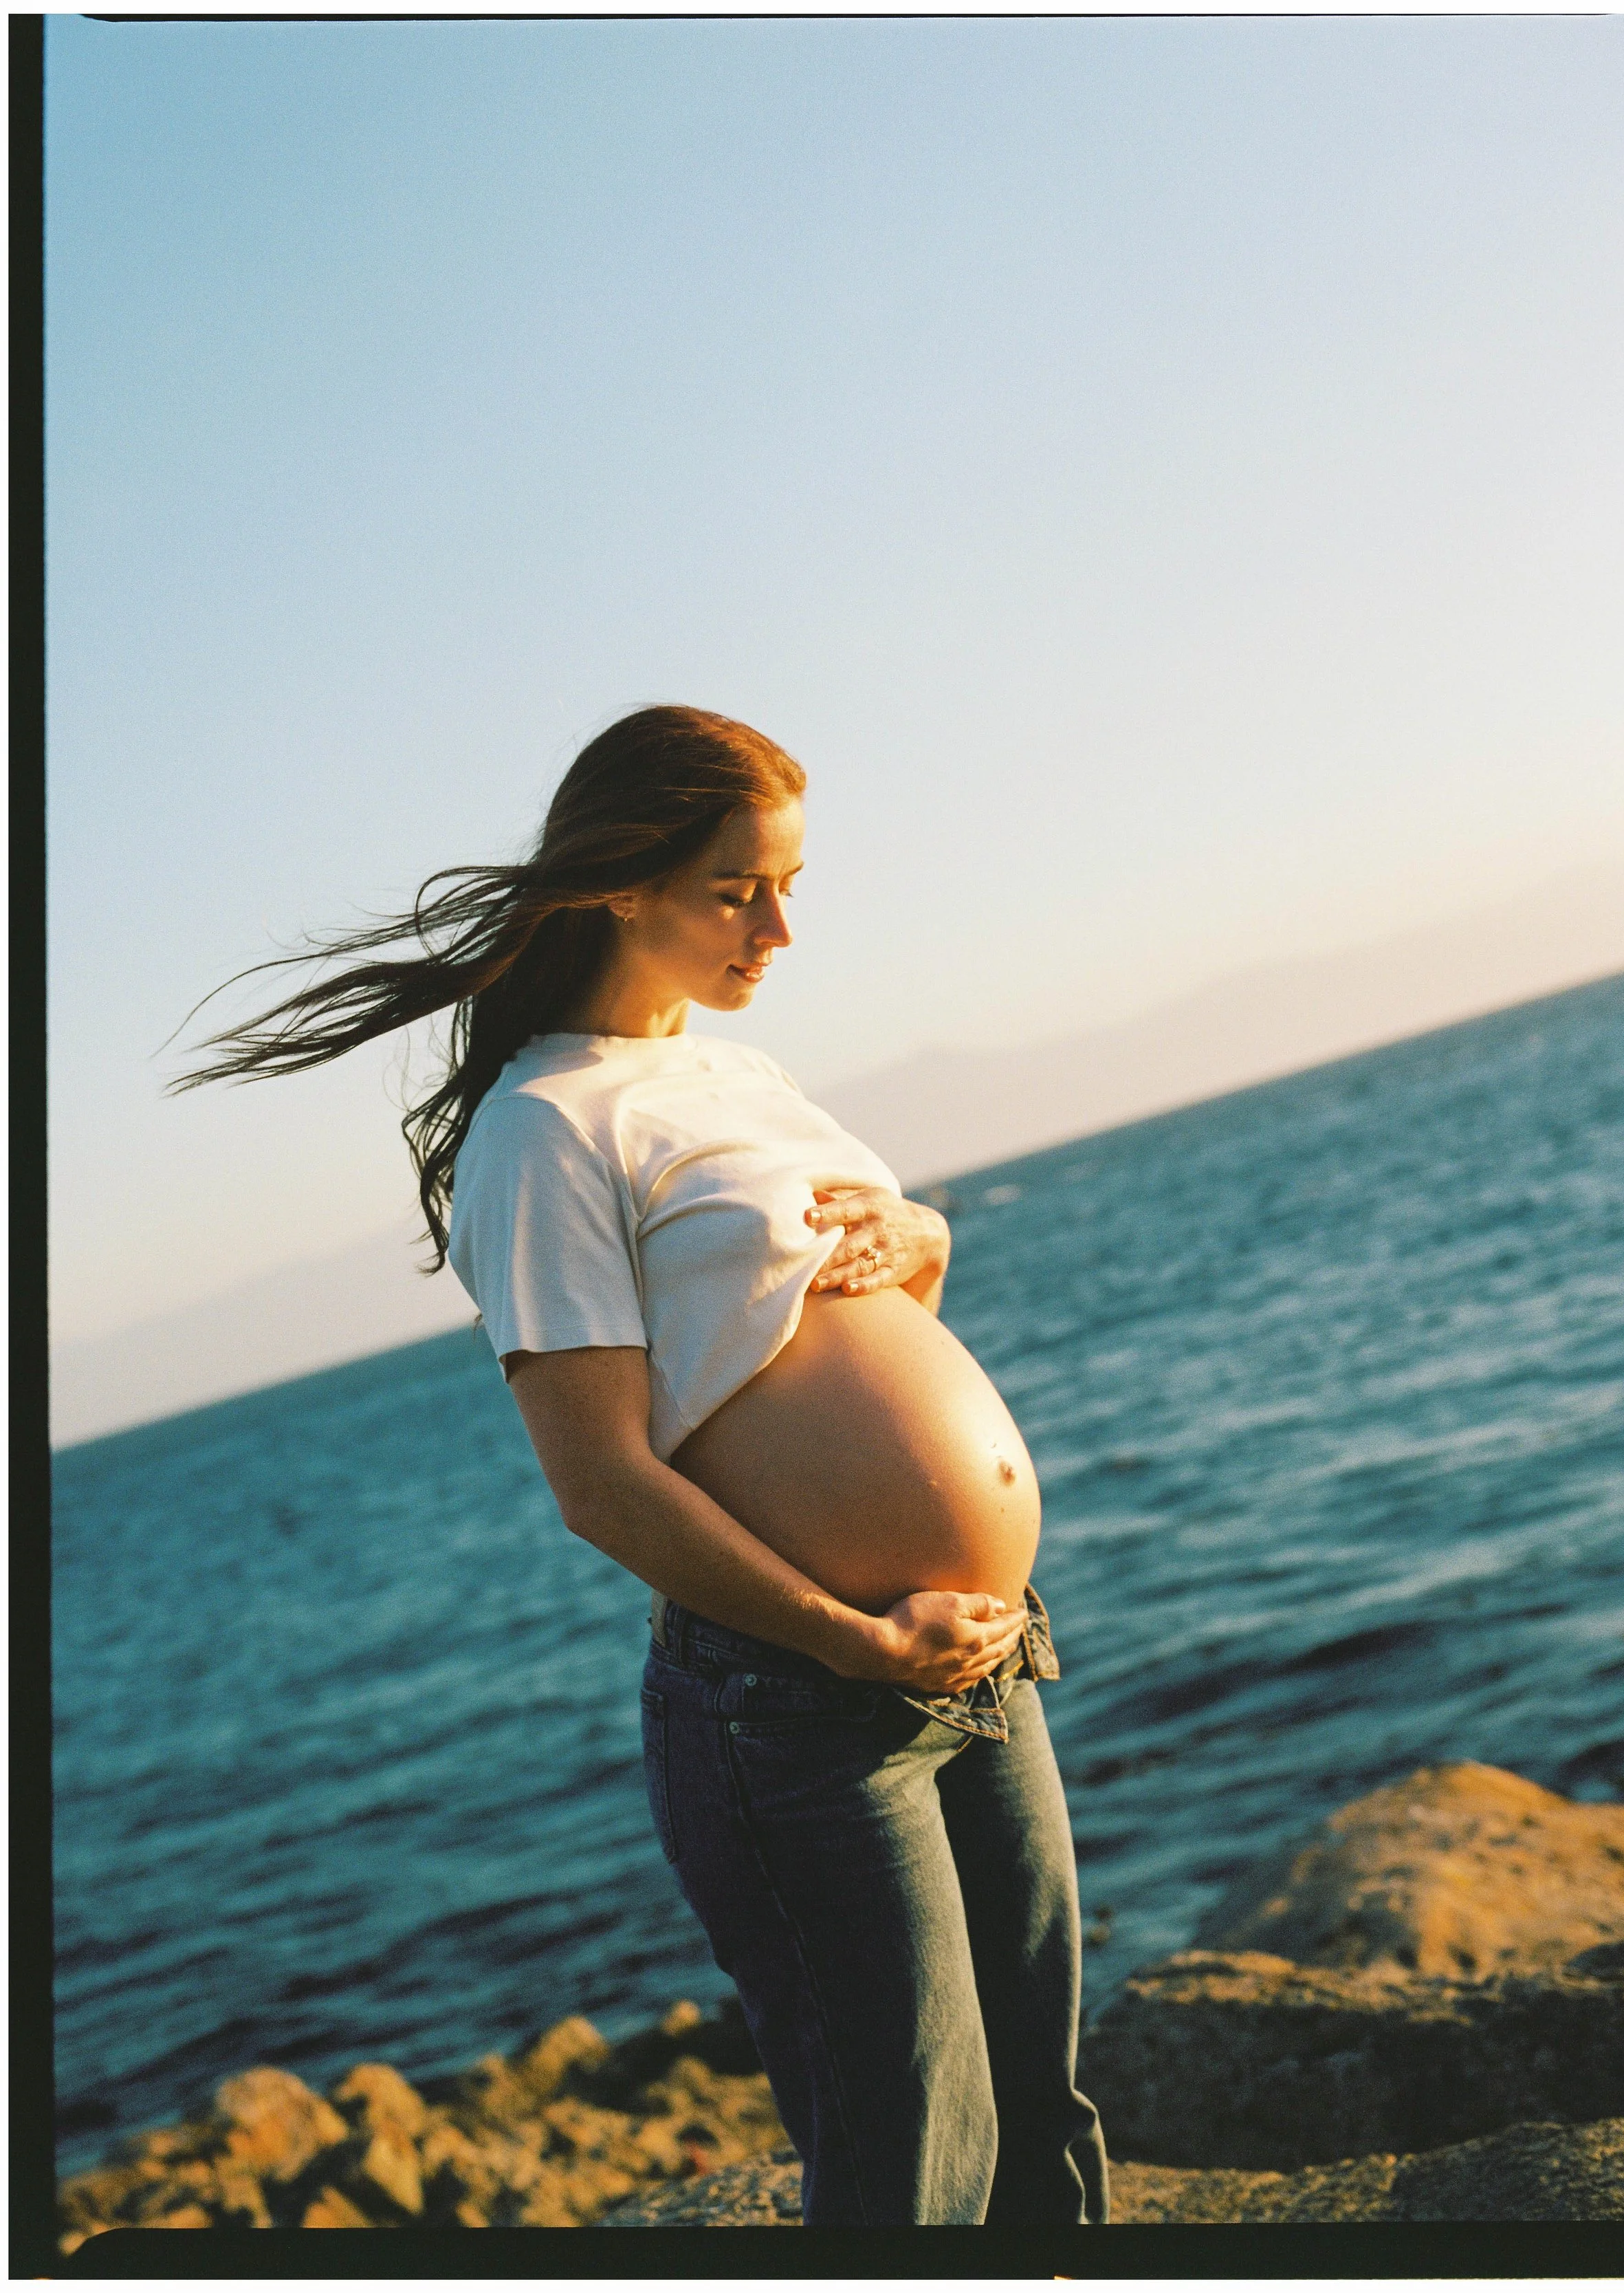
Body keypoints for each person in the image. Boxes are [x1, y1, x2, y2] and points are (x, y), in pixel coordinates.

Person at [177, 704, 1108, 2226]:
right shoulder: (539, 1130)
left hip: (981, 1654)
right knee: (910, 2150)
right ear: (621, 882)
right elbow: (600, 1480)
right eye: (740, 885)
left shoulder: (739, 1072)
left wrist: (924, 1237)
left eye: (789, 880)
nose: (782, 924)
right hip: (805, 1700)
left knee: (1035, 2111)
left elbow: (794, 1329)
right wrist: (855, 1636)